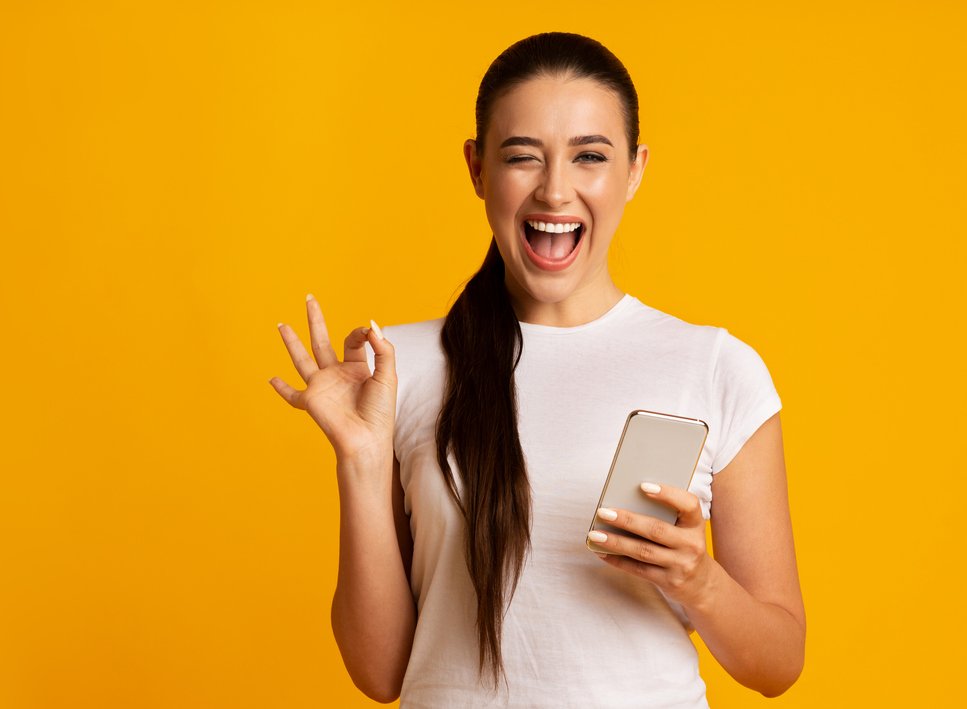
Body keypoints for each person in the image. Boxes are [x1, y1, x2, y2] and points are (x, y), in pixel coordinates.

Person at [268, 32, 804, 707]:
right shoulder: (394, 372)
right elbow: (381, 673)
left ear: (634, 170)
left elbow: (778, 661)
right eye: (522, 157)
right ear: (476, 168)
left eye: (589, 157)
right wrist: (360, 457)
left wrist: (696, 579)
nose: (555, 191)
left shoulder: (715, 368)